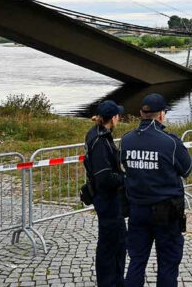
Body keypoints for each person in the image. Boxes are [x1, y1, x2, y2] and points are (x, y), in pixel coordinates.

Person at [121, 94, 192, 287]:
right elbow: (186, 169)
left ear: (141, 113)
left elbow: (125, 166)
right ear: (161, 115)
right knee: (168, 263)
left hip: (137, 208)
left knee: (136, 260)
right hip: (166, 211)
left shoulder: (127, 140)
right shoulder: (169, 142)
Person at [84, 100, 127, 286]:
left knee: (118, 242)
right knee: (110, 244)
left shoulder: (97, 133)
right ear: (114, 118)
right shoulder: (101, 141)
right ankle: (109, 282)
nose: (120, 117)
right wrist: (126, 178)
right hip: (108, 200)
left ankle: (116, 280)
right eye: (118, 115)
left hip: (108, 199)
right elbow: (104, 178)